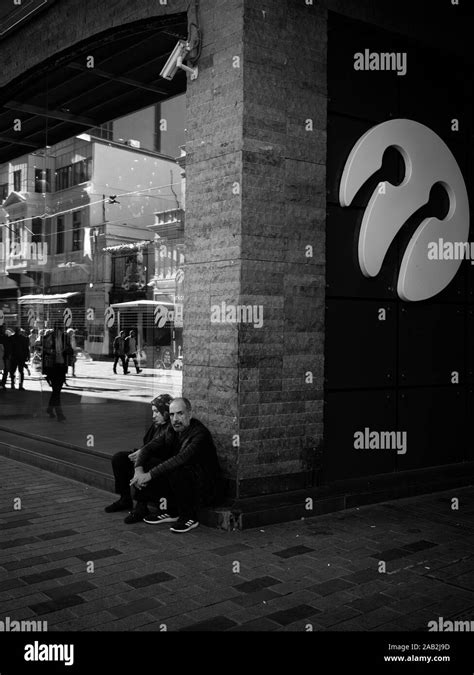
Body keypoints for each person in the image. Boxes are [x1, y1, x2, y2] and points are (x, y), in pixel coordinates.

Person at [130, 397, 222, 533]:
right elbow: (148, 448)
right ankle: (171, 512)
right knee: (151, 462)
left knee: (176, 469)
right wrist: (139, 471)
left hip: (206, 487)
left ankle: (189, 517)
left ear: (190, 414)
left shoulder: (200, 434)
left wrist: (148, 476)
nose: (175, 419)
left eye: (180, 413)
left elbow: (181, 459)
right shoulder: (173, 430)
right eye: (172, 414)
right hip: (185, 479)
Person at [104, 394, 174, 521]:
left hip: (161, 468)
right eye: (153, 412)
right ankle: (125, 499)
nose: (154, 416)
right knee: (119, 458)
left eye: (157, 412)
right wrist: (137, 455)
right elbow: (146, 445)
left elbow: (165, 453)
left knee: (145, 465)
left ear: (167, 412)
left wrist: (141, 458)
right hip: (147, 458)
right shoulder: (156, 425)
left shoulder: (171, 428)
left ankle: (141, 506)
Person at [41, 324, 73, 421]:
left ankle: (50, 409)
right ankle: (59, 414)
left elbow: (70, 350)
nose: (59, 332)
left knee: (57, 391)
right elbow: (44, 351)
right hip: (52, 367)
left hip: (61, 366)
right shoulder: (48, 337)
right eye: (58, 329)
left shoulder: (65, 338)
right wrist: (52, 352)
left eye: (60, 330)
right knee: (56, 391)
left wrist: (67, 350)